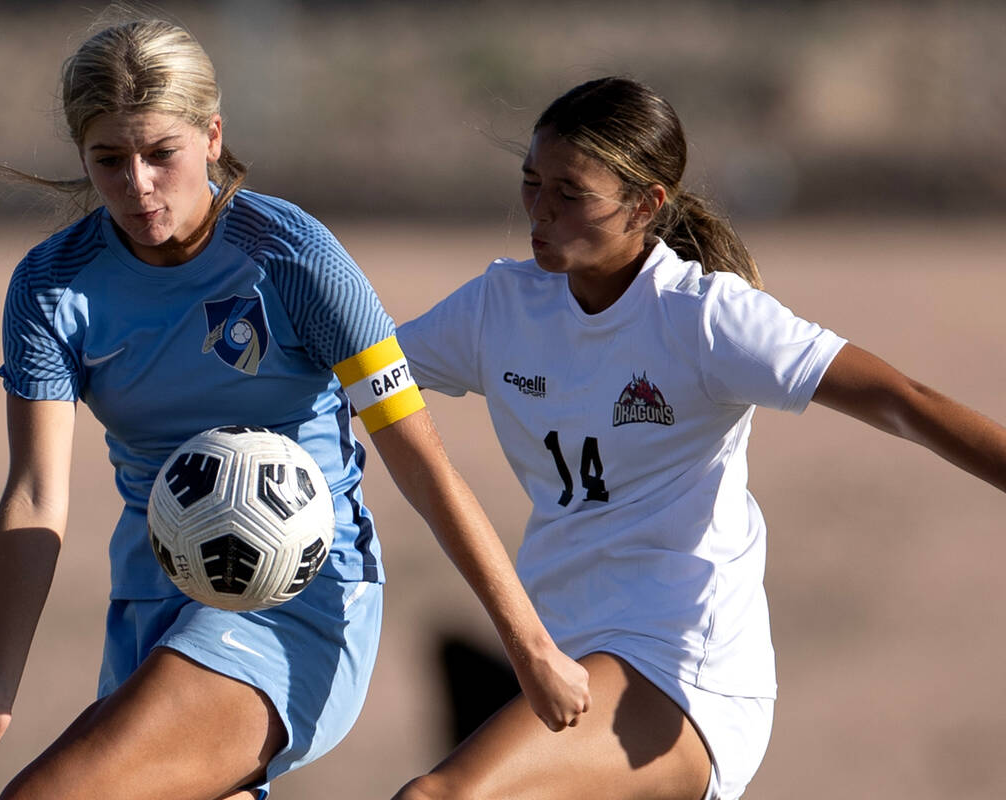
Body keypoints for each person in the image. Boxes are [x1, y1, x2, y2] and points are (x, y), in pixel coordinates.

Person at [0, 15, 591, 800]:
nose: (136, 184)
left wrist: (530, 647)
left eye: (160, 153)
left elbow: (421, 459)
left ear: (211, 135)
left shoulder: (296, 257)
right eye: (109, 159)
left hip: (299, 601)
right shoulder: (50, 287)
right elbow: (35, 494)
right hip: (150, 609)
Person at [393, 76, 1006, 800]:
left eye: (570, 193)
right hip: (561, 652)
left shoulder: (705, 320)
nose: (541, 211)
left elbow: (907, 401)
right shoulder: (502, 306)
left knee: (439, 796)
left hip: (681, 668)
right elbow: (355, 374)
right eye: (532, 183)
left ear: (646, 205)